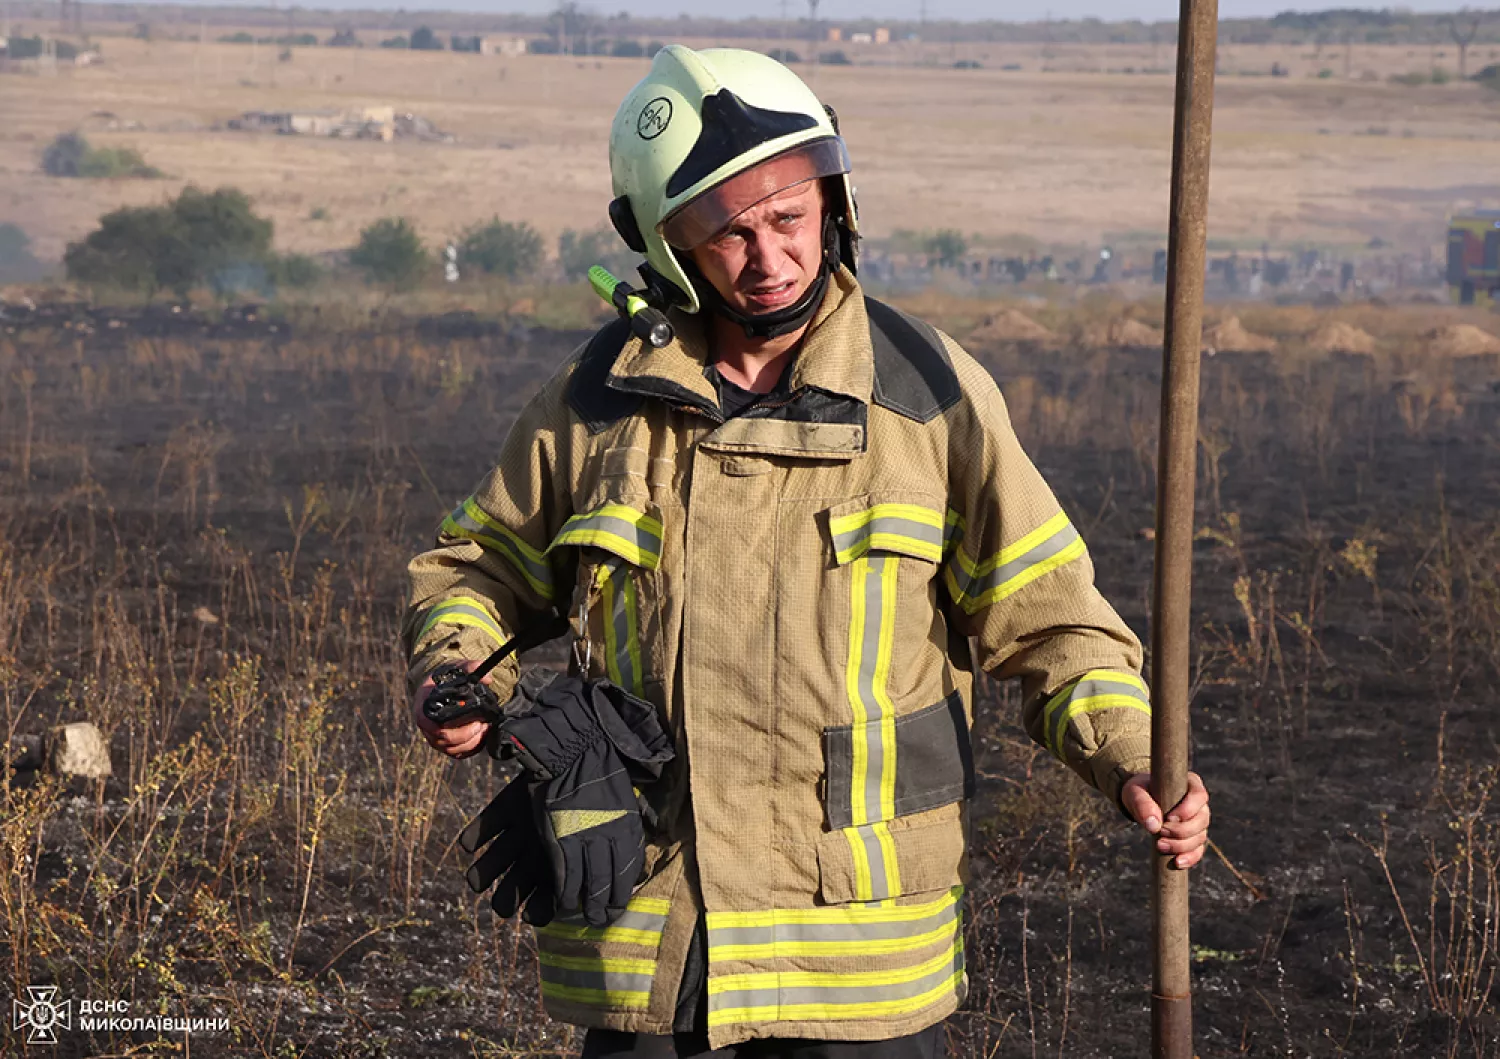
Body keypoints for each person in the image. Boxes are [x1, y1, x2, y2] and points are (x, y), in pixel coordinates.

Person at [404, 44, 1210, 1059]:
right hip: (654, 945)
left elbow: (1051, 620)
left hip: (857, 960)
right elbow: (477, 571)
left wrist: (1134, 756)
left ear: (835, 202)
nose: (770, 257)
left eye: (789, 218)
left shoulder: (927, 394)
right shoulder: (595, 403)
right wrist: (453, 673)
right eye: (727, 234)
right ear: (664, 247)